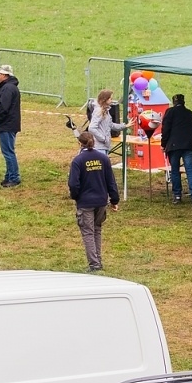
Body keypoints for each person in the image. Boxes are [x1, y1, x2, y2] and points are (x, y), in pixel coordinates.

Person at [67, 131, 120, 273]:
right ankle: (98, 260)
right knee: (97, 230)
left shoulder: (78, 160)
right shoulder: (103, 158)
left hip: (85, 202)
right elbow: (111, 181)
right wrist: (114, 199)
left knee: (88, 233)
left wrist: (75, 196)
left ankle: (94, 264)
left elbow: (73, 184)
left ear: (79, 143)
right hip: (101, 201)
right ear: (94, 142)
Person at [159, 93, 192, 205]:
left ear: (174, 102)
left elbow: (165, 130)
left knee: (175, 171)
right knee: (190, 171)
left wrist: (163, 144)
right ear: (184, 102)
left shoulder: (170, 112)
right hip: (188, 145)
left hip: (174, 145)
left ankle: (177, 195)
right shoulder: (189, 113)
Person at [0, 63, 22, 186]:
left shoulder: (7, 88)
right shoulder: (9, 87)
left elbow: (3, 107)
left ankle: (14, 177)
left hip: (6, 125)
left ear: (4, 75)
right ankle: (9, 175)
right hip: (8, 124)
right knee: (9, 151)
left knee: (8, 152)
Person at [81, 88, 126, 159]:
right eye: (110, 99)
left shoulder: (105, 110)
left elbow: (111, 125)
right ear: (105, 99)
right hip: (99, 147)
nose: (112, 101)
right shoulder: (99, 111)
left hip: (104, 146)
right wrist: (103, 139)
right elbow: (92, 128)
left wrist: (125, 126)